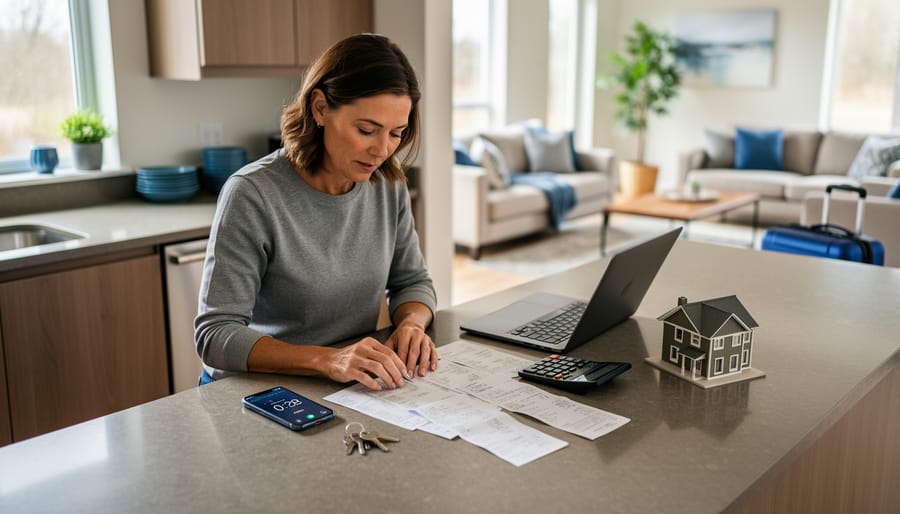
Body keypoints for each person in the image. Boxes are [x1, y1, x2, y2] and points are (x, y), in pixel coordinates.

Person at [195, 33, 437, 391]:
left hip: (346, 381)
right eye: (366, 130)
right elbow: (215, 335)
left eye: (396, 133)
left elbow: (413, 282)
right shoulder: (253, 193)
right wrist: (327, 359)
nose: (382, 150)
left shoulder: (388, 185)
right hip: (257, 390)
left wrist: (412, 325)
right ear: (320, 108)